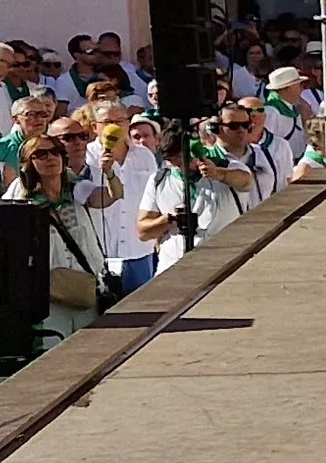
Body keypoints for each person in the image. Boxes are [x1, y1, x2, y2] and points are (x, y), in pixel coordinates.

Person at [7, 126, 111, 343]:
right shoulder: (21, 196)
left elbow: (110, 196)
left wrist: (109, 172)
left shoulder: (75, 189)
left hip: (83, 288)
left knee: (90, 349)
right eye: (40, 154)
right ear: (28, 164)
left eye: (55, 152)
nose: (50, 158)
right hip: (48, 296)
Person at [135, 117, 245, 273]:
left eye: (179, 158)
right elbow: (142, 232)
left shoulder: (227, 165)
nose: (175, 165)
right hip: (173, 266)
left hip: (221, 264)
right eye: (169, 160)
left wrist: (218, 174)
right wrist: (168, 219)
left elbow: (246, 182)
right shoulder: (159, 179)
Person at [91, 112, 162, 294]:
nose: (114, 125)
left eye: (119, 121)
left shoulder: (144, 155)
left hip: (139, 250)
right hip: (101, 253)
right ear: (94, 127)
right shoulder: (87, 155)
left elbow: (154, 197)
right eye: (107, 121)